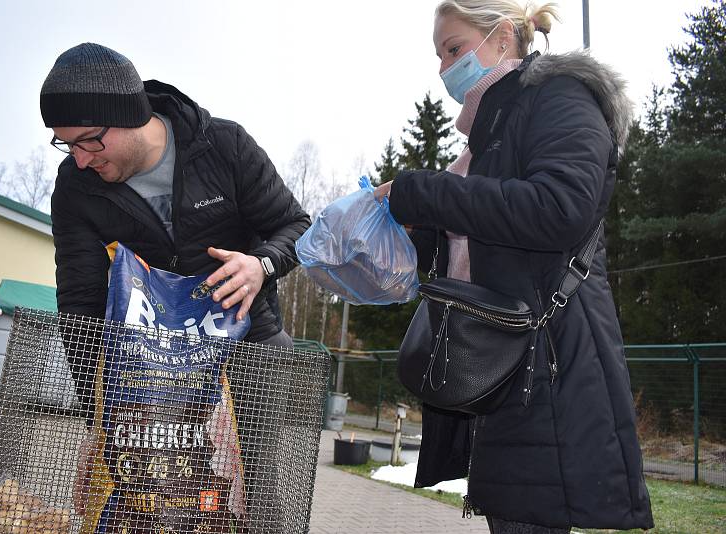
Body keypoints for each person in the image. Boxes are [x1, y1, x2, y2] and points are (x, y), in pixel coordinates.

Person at [374, 1, 654, 532]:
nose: (442, 68)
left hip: (549, 365)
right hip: (510, 367)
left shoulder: (561, 96)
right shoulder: (492, 128)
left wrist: (428, 193)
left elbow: (557, 209)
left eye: (453, 49)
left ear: (503, 37)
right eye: (438, 55)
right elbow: (490, 241)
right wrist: (409, 236)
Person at [39, 43, 310, 520]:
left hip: (250, 345)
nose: (80, 159)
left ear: (127, 115)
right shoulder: (76, 186)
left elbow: (295, 226)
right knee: (150, 504)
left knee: (260, 501)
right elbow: (80, 300)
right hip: (145, 369)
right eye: (66, 144)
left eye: (88, 141)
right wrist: (97, 415)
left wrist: (260, 265)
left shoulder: (224, 146)